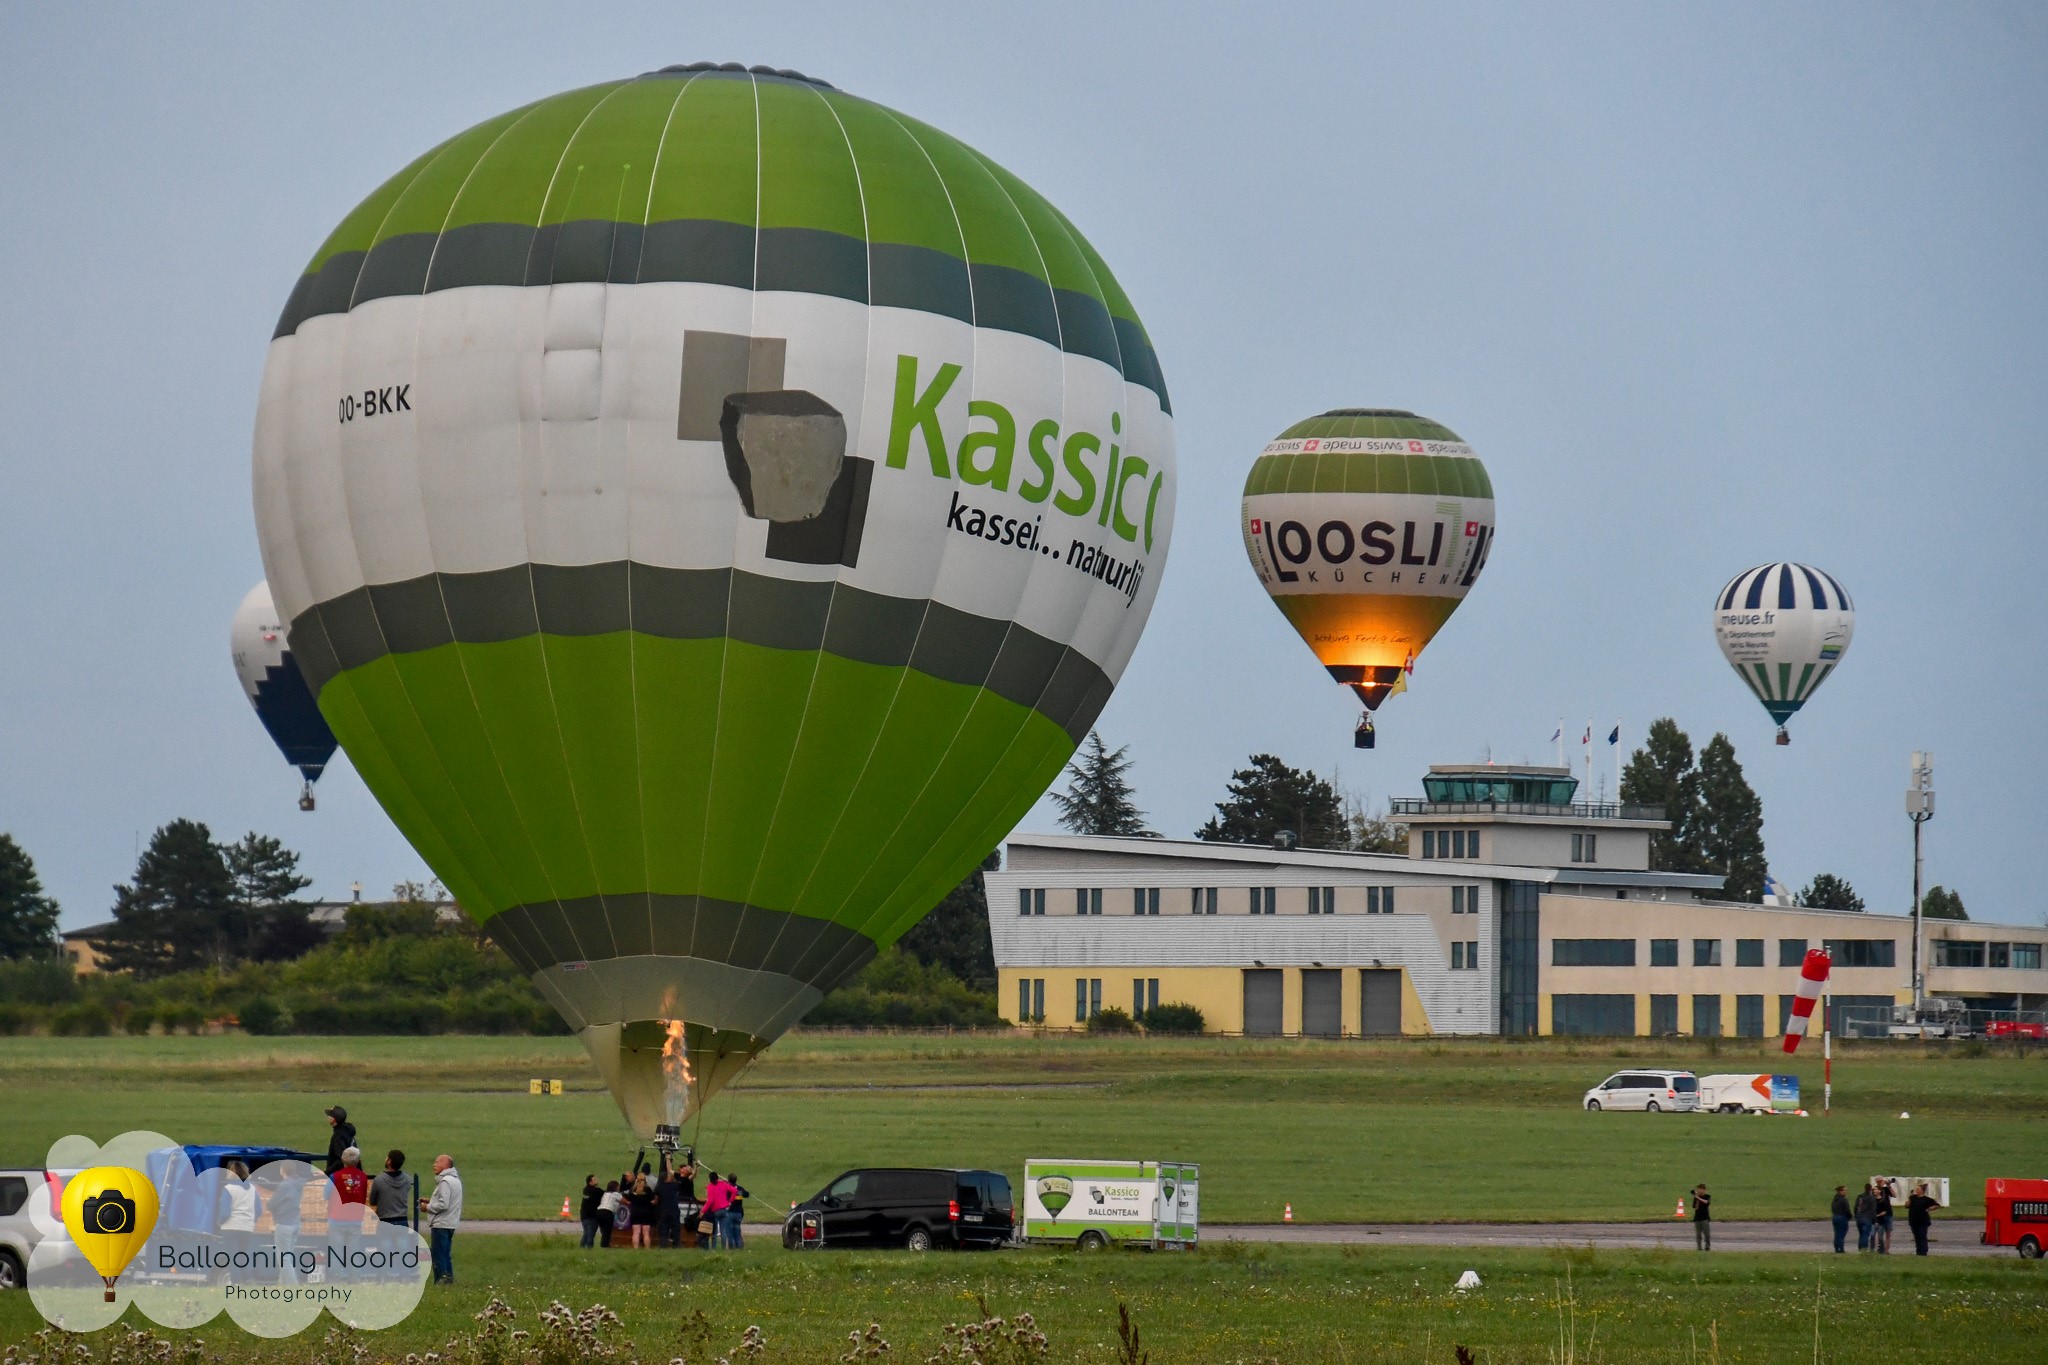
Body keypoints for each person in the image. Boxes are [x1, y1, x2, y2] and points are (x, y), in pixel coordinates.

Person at [419, 1154, 463, 1284]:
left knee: (438, 1255)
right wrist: (431, 1201)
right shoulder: (455, 1180)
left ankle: (440, 1281)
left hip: (441, 1223)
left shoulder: (445, 1181)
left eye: (437, 1162)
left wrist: (427, 1207)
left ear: (445, 1165)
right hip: (450, 1223)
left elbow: (444, 1204)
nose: (434, 1165)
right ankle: (448, 1280)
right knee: (445, 1254)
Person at [369, 1150, 410, 1229]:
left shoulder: (379, 1180)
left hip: (385, 1220)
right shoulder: (407, 1179)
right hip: (402, 1220)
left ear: (389, 1161)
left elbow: (372, 1201)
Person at [332, 1147, 371, 1220]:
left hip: (337, 1218)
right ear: (358, 1161)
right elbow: (363, 1195)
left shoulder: (334, 1176)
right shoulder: (363, 1176)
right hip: (356, 1218)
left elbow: (326, 1195)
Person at [700, 1169, 732, 1250]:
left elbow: (710, 1201)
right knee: (723, 1231)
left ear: (710, 1179)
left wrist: (703, 1210)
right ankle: (724, 1248)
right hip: (724, 1210)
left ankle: (713, 1247)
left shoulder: (710, 1186)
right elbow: (734, 1190)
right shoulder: (723, 1184)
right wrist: (730, 1201)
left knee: (714, 1231)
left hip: (715, 1211)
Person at [719, 1172, 751, 1250]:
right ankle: (739, 1248)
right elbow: (746, 1194)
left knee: (729, 1233)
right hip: (739, 1213)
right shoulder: (739, 1189)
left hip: (729, 1213)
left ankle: (732, 1249)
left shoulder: (727, 1188)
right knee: (737, 1232)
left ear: (728, 1179)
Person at [656, 1160, 683, 1249]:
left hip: (663, 1210)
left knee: (664, 1229)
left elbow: (655, 1198)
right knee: (676, 1229)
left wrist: (667, 1160)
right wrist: (668, 1160)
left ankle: (663, 1245)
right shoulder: (674, 1185)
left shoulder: (659, 1187)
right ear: (666, 1178)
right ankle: (676, 1245)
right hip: (674, 1210)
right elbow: (673, 1174)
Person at [323, 1106, 357, 1176]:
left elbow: (341, 1161)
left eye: (329, 1115)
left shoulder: (338, 1136)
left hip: (342, 1176)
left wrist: (326, 1172)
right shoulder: (347, 1131)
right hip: (354, 1173)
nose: (327, 1117)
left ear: (333, 1119)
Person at [1907, 1182, 1937, 1256]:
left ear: (1922, 1191)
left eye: (1918, 1189)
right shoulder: (1913, 1198)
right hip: (1913, 1220)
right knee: (1916, 1236)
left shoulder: (1927, 1199)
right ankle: (1918, 1251)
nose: (1916, 1190)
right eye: (1916, 1189)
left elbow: (1936, 1205)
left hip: (1923, 1220)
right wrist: (1909, 1198)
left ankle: (1924, 1251)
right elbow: (1907, 1205)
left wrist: (1929, 1209)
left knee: (1922, 1235)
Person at [631, 1174, 659, 1248]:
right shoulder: (648, 1189)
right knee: (646, 1233)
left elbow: (629, 1200)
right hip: (646, 1212)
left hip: (635, 1212)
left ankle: (635, 1249)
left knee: (636, 1232)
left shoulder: (633, 1189)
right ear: (645, 1180)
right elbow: (653, 1202)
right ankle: (647, 1249)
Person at [579, 1175, 604, 1249]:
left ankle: (582, 1247)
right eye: (594, 1180)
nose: (597, 1180)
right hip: (592, 1215)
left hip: (583, 1215)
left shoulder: (585, 1189)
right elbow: (606, 1193)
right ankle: (589, 1248)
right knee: (590, 1233)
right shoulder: (596, 1191)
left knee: (586, 1233)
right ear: (590, 1182)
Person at [597, 1180, 622, 1248]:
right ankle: (605, 1245)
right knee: (607, 1230)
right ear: (616, 1187)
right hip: (607, 1212)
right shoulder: (615, 1194)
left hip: (599, 1212)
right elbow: (624, 1201)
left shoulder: (605, 1194)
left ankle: (603, 1244)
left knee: (603, 1230)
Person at [1853, 1182, 1876, 1251]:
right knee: (1865, 1235)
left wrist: (1856, 1215)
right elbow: (1873, 1209)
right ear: (1870, 1189)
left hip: (1859, 1217)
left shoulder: (1860, 1197)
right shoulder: (1872, 1198)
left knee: (1861, 1234)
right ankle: (1864, 1249)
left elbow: (1855, 1207)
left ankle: (1860, 1249)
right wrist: (1874, 1220)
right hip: (1867, 1218)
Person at [1873, 1180, 1894, 1253]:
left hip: (1888, 1214)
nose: (1882, 1182)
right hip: (1879, 1216)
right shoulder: (1874, 1192)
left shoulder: (1886, 1189)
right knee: (1879, 1233)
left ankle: (1886, 1249)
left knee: (1888, 1233)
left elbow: (1894, 1195)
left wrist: (1889, 1186)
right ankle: (1879, 1248)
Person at [1830, 1185, 1851, 1253]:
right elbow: (1847, 1210)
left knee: (1837, 1233)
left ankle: (1836, 1248)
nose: (1846, 1192)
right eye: (1844, 1190)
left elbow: (1832, 1208)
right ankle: (1841, 1249)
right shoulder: (1844, 1200)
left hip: (1835, 1217)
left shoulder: (1835, 1199)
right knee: (1841, 1234)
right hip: (1842, 1217)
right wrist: (1849, 1216)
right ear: (1840, 1191)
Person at [1691, 1183, 1711, 1251]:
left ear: (1704, 1190)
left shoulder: (1707, 1196)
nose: (1700, 1190)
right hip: (1697, 1218)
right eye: (1699, 1189)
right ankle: (1699, 1247)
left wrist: (1699, 1198)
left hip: (1705, 1218)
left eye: (1702, 1189)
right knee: (1698, 1234)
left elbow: (1707, 1203)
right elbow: (1696, 1208)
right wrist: (1696, 1198)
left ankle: (1707, 1246)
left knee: (1707, 1234)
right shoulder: (1696, 1198)